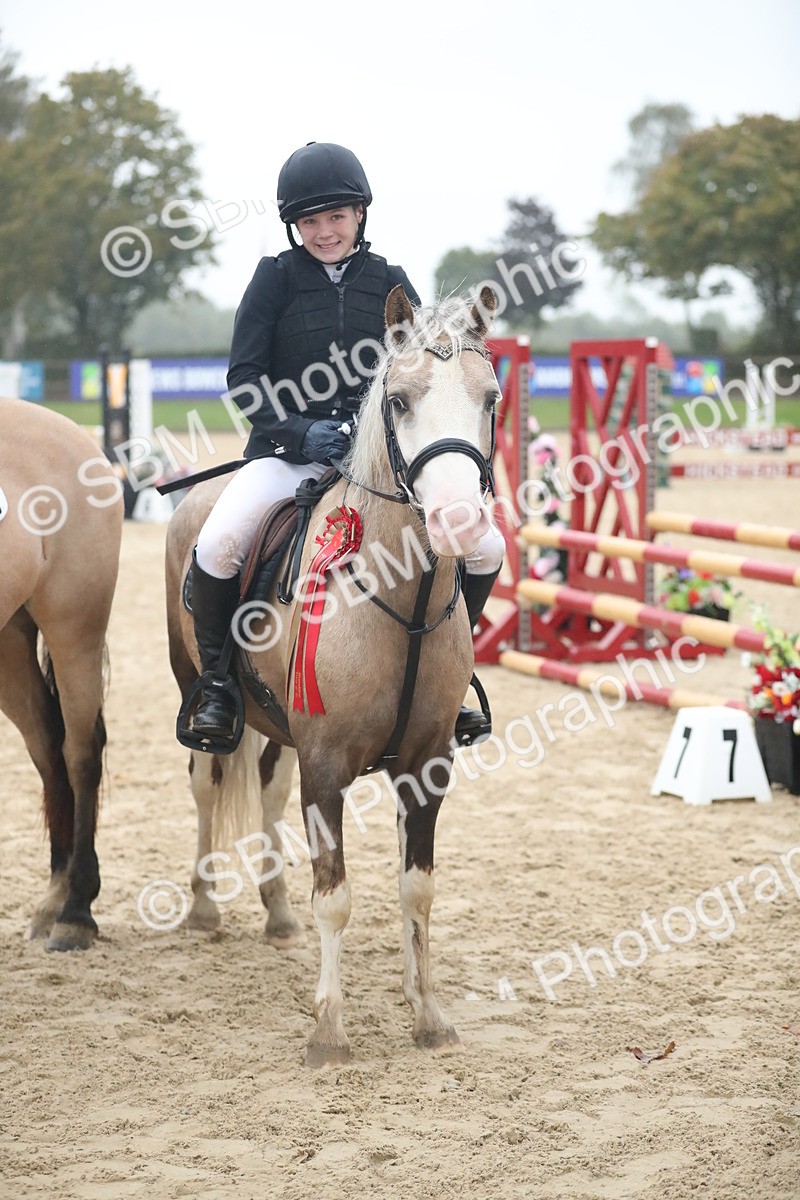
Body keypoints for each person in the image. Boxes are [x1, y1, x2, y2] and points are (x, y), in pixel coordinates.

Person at [188, 141, 503, 748]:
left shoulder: (389, 281)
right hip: (288, 456)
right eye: (311, 220)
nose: (325, 231)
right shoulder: (273, 280)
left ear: (360, 214)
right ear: (294, 225)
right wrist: (301, 431)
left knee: (487, 545)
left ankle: (452, 676)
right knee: (219, 541)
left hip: (374, 467)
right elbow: (244, 379)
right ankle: (219, 684)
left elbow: (424, 371)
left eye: (336, 216)